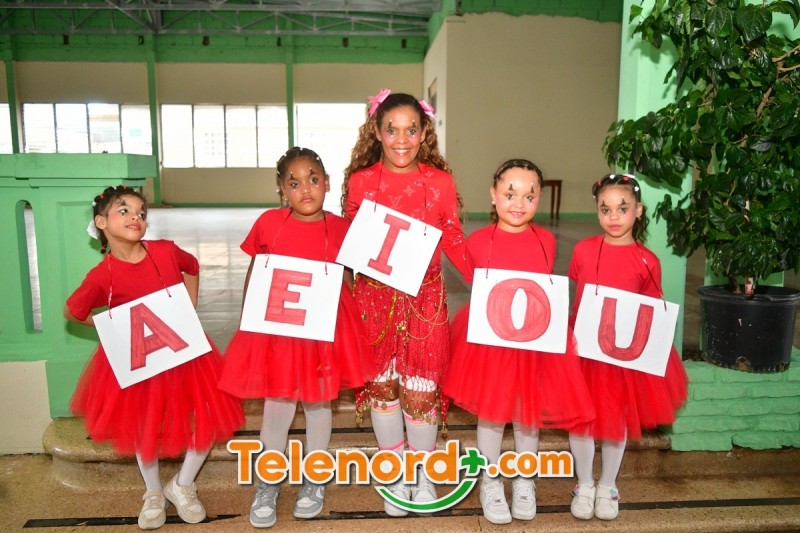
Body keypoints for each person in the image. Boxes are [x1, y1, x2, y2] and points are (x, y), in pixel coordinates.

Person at [65, 185, 245, 530]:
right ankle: (152, 491)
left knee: (207, 416)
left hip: (185, 353)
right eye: (124, 210)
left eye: (141, 212)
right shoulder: (102, 275)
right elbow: (73, 310)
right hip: (139, 362)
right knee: (143, 425)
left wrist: (189, 304)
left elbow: (192, 266)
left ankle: (183, 484)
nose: (136, 216)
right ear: (101, 223)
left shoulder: (164, 251)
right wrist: (112, 327)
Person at [219, 147, 375, 529]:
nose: (306, 189)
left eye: (313, 179)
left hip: (324, 332)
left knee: (319, 405)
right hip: (280, 333)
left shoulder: (341, 228)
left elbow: (349, 280)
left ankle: (314, 478)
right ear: (281, 189)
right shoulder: (269, 223)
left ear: (327, 183)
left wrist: (349, 329)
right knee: (278, 406)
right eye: (295, 183)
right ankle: (268, 481)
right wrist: (249, 321)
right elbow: (256, 272)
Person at [442, 159, 596, 524]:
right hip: (491, 343)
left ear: (539, 198)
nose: (519, 203)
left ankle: (525, 479)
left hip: (533, 342)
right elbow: (478, 284)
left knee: (529, 415)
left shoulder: (547, 239)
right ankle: (490, 480)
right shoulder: (478, 241)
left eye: (529, 195)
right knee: (492, 414)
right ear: (493, 195)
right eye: (510, 193)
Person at [340, 89, 468, 515]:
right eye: (391, 129)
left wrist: (489, 280)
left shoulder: (439, 182)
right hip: (373, 299)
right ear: (377, 132)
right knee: (382, 390)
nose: (401, 139)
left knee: (421, 392)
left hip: (424, 300)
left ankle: (423, 475)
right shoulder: (362, 181)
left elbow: (453, 236)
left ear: (424, 132)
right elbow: (349, 240)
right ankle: (394, 473)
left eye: (410, 130)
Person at [567, 173, 689, 521]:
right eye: (605, 209)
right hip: (585, 350)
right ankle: (584, 483)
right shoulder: (583, 250)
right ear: (597, 211)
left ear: (638, 210)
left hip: (623, 358)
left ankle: (607, 484)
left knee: (616, 418)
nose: (614, 216)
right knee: (580, 418)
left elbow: (651, 310)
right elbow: (580, 297)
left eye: (623, 208)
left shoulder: (648, 261)